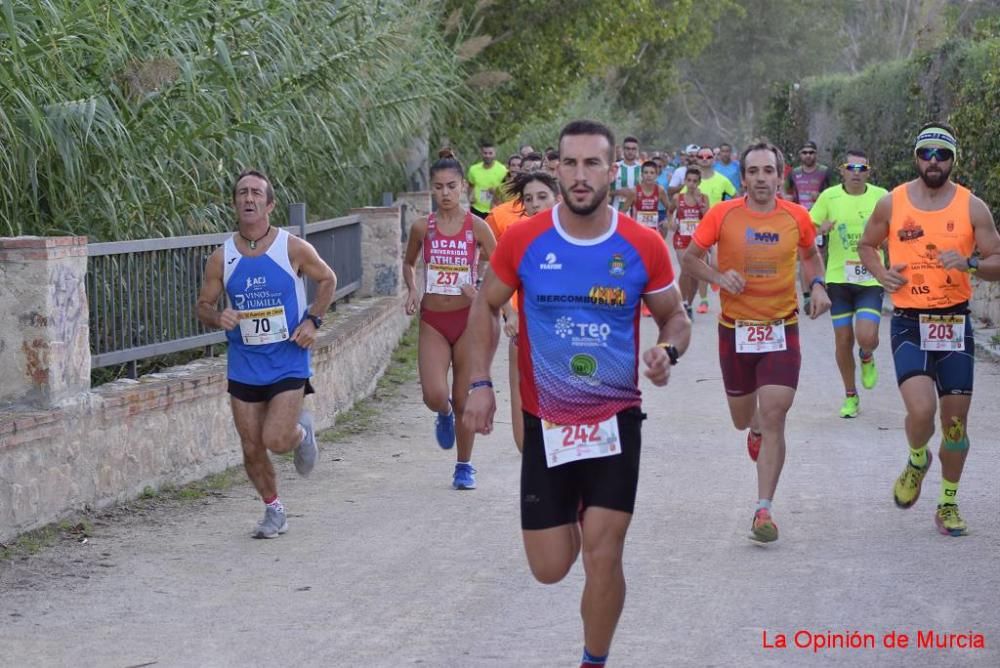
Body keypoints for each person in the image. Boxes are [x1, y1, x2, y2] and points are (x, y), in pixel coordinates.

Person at [463, 120, 691, 668]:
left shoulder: (642, 244)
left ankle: (594, 659)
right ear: (557, 168)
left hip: (615, 421)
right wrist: (479, 383)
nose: (581, 175)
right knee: (550, 568)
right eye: (571, 163)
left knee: (603, 552)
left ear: (613, 171)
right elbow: (483, 305)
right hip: (548, 424)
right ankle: (571, 514)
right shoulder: (524, 240)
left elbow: (676, 318)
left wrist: (667, 352)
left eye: (593, 164)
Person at [681, 141, 830, 544]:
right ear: (743, 177)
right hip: (735, 329)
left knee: (776, 411)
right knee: (743, 416)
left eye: (768, 171)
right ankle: (754, 428)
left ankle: (763, 508)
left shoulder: (797, 216)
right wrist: (716, 278)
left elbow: (811, 256)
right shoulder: (722, 215)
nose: (761, 179)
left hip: (782, 327)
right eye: (754, 172)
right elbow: (690, 258)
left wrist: (816, 285)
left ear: (780, 175)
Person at [858, 122, 1000, 537]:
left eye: (942, 154)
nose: (933, 161)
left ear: (954, 159)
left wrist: (971, 263)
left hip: (954, 320)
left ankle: (948, 501)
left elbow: (997, 259)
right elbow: (867, 245)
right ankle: (918, 458)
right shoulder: (892, 202)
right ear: (916, 157)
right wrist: (881, 273)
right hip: (909, 320)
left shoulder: (974, 208)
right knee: (921, 410)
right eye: (926, 153)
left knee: (955, 426)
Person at [195, 169, 337, 539]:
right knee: (251, 445)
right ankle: (273, 510)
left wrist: (312, 321)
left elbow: (328, 280)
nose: (248, 198)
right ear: (234, 203)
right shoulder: (221, 257)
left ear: (270, 204)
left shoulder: (291, 248)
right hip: (244, 363)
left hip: (288, 357)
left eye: (257, 193)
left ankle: (301, 434)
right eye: (242, 193)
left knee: (275, 438)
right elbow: (203, 305)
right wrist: (216, 316)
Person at [403, 157, 497, 489]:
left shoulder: (477, 227)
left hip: (468, 322)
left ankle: (464, 466)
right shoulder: (421, 227)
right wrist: (413, 289)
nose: (445, 193)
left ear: (464, 188)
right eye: (439, 187)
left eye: (452, 186)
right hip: (434, 320)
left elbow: (500, 268)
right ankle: (441, 413)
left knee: (463, 398)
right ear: (432, 189)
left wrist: (482, 292)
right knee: (434, 394)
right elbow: (409, 263)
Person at [810, 150, 888, 418]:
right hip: (838, 279)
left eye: (861, 167)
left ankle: (866, 354)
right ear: (842, 170)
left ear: (869, 171)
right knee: (843, 339)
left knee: (866, 336)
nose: (856, 172)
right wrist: (820, 230)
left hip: (870, 277)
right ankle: (850, 396)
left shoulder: (881, 196)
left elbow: (896, 230)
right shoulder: (828, 197)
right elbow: (808, 230)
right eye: (850, 167)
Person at [495, 170, 561, 452]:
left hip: (566, 337)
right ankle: (530, 459)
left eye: (542, 197)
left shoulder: (576, 240)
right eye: (528, 199)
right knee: (522, 402)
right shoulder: (515, 239)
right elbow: (495, 287)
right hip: (524, 334)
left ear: (558, 199)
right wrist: (510, 314)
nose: (535, 204)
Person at [786, 140, 833, 306]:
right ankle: (806, 295)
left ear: (816, 154)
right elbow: (789, 194)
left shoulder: (825, 172)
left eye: (811, 152)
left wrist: (820, 196)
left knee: (818, 254)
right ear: (800, 155)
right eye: (804, 152)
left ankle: (819, 288)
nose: (808, 155)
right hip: (799, 220)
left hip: (819, 221)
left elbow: (833, 194)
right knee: (803, 256)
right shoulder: (794, 173)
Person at [668, 167, 709, 318]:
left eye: (694, 181)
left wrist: (700, 204)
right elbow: (669, 211)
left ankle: (689, 305)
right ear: (685, 181)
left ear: (699, 183)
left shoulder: (704, 198)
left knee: (695, 275)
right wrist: (671, 222)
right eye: (689, 180)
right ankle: (682, 304)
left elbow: (707, 218)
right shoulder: (677, 198)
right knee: (685, 270)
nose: (691, 184)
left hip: (698, 240)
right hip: (681, 238)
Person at [622, 160, 672, 230]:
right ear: (641, 175)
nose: (649, 175)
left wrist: (667, 220)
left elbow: (669, 208)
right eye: (646, 172)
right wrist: (628, 225)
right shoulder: (634, 191)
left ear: (656, 175)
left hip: (653, 231)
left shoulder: (660, 190)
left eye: (652, 173)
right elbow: (623, 211)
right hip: (637, 229)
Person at [467, 140, 508, 220]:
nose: (487, 156)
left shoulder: (503, 170)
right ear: (481, 154)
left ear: (494, 153)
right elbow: (471, 185)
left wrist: (496, 191)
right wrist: (470, 197)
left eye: (490, 153)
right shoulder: (473, 169)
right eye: (485, 153)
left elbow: (506, 188)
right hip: (477, 208)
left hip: (495, 209)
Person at [610, 135, 642, 211]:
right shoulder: (614, 167)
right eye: (627, 148)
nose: (630, 151)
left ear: (637, 150)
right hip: (617, 210)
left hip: (637, 213)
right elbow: (604, 192)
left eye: (633, 149)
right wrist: (618, 192)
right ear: (623, 149)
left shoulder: (642, 169)